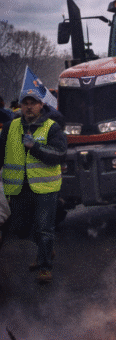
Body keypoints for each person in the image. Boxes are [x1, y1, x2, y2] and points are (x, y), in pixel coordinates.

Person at [0, 86, 67, 284]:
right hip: (19, 187)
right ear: (20, 106)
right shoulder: (10, 127)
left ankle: (45, 266)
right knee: (21, 228)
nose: (29, 107)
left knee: (44, 227)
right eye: (25, 103)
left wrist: (35, 147)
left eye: (33, 104)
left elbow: (60, 155)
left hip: (45, 187)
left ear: (41, 105)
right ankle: (45, 248)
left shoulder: (52, 127)